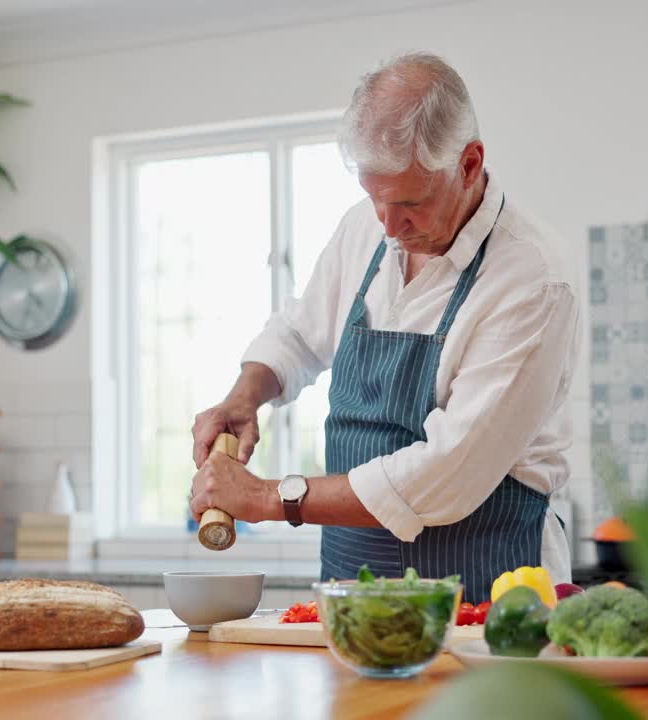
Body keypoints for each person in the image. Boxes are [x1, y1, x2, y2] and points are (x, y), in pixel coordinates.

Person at [189, 51, 580, 601]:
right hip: (355, 597)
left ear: (469, 164)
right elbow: (301, 334)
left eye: (410, 203)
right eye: (374, 197)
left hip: (492, 595)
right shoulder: (365, 230)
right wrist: (244, 396)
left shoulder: (531, 278)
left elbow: (447, 474)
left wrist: (271, 497)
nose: (389, 226)